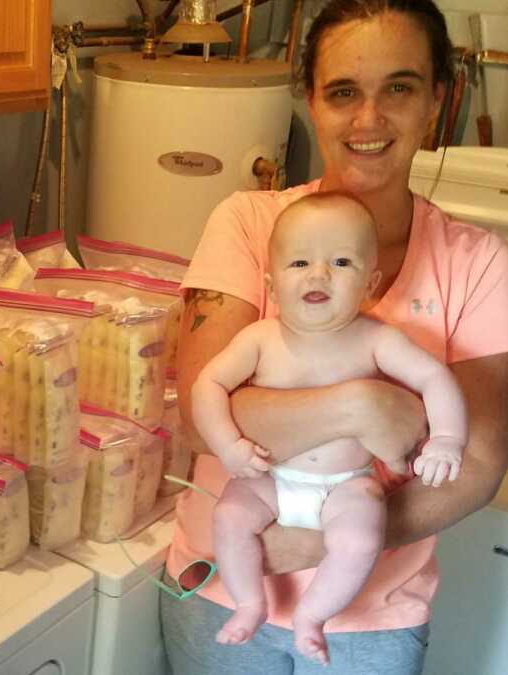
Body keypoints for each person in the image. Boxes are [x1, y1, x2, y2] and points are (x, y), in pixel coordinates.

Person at [161, 1, 508, 673]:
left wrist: (318, 543)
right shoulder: (245, 222)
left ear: (439, 97)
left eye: (399, 88)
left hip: (372, 619)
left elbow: (479, 460)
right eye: (343, 91)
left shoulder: (480, 263)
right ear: (312, 101)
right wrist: (362, 407)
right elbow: (204, 420)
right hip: (224, 588)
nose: (369, 119)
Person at [192, 191, 466, 666]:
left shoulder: (376, 338)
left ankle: (312, 616)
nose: (319, 274)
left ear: (370, 283)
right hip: (270, 481)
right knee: (230, 519)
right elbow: (207, 384)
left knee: (360, 538)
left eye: (341, 262)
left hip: (345, 486)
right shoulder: (259, 338)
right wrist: (228, 444)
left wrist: (447, 438)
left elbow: (434, 377)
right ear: (272, 285)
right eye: (299, 262)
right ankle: (250, 602)